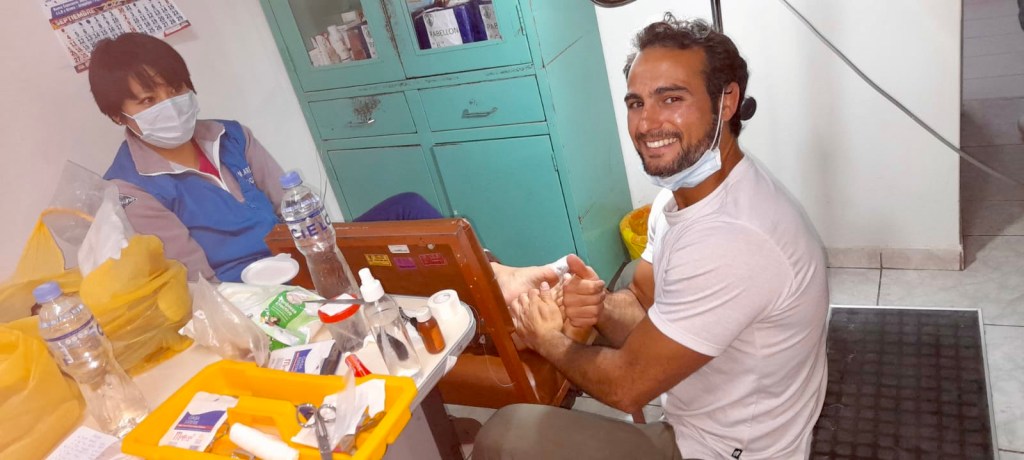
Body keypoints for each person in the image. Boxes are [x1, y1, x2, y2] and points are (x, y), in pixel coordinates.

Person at [474, 15, 829, 460]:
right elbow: (644, 303)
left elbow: (626, 386)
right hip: (697, 412)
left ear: (726, 101)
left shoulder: (734, 238)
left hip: (726, 450)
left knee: (506, 433)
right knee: (626, 288)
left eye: (671, 98)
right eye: (636, 103)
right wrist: (598, 305)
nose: (646, 123)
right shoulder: (678, 196)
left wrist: (548, 339)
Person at [89, 33, 441, 282]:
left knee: (409, 208)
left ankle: (474, 290)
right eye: (148, 100)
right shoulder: (130, 187)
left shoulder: (230, 136)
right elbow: (201, 285)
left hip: (300, 255)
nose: (170, 104)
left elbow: (289, 204)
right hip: (254, 291)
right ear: (118, 116)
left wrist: (320, 256)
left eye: (176, 89)